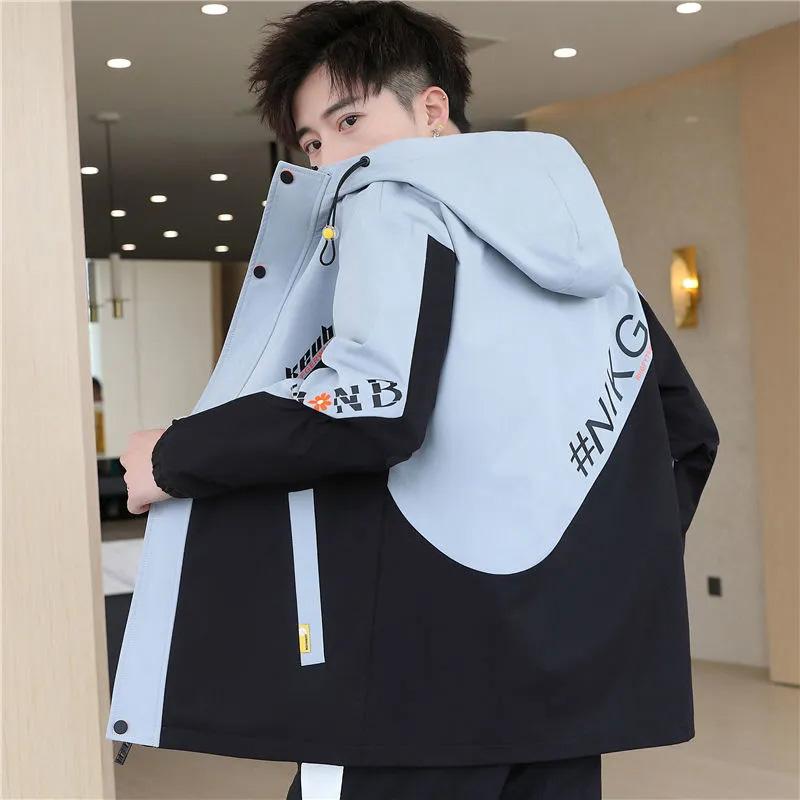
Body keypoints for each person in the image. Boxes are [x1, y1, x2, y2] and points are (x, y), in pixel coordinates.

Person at [116, 2, 719, 798]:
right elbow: (687, 435)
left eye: (349, 121)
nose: (333, 159)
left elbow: (372, 404)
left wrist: (172, 455)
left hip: (409, 686)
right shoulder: (594, 267)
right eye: (312, 143)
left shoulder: (390, 199)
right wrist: (582, 586)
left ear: (432, 109)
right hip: (560, 700)